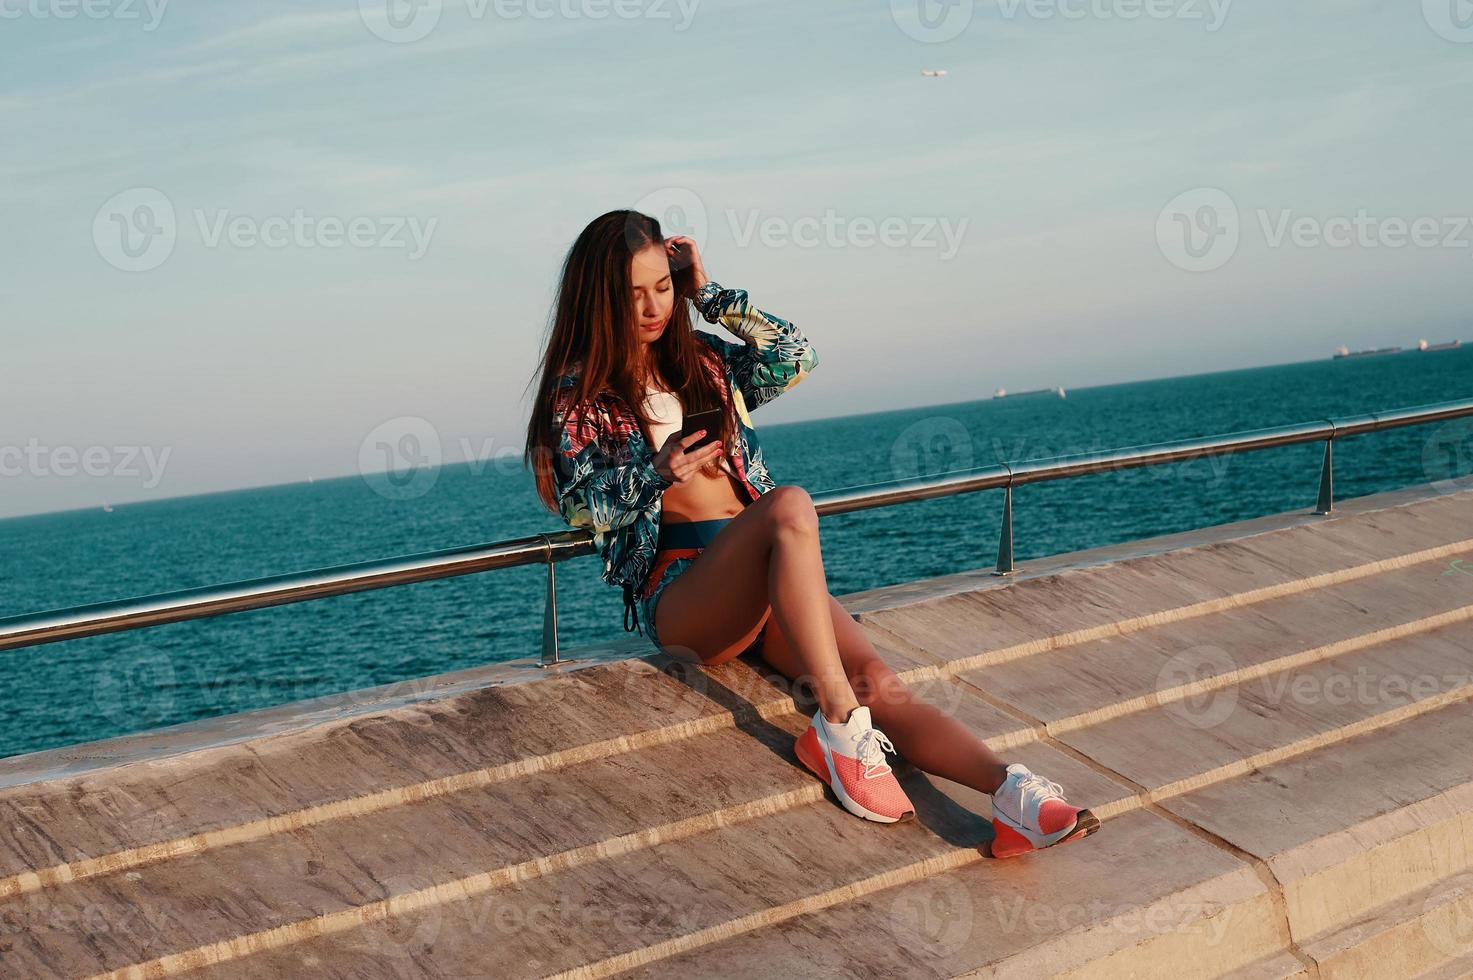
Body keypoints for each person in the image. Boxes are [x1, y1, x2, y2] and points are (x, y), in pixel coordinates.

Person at [523, 209, 1099, 857]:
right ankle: (837, 728)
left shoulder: (704, 361)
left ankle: (1011, 797)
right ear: (598, 297)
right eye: (633, 294)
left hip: (766, 566)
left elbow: (794, 356)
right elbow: (581, 508)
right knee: (789, 504)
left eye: (663, 286)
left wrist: (710, 294)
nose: (653, 306)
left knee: (878, 681)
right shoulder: (578, 398)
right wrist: (653, 474)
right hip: (685, 591)